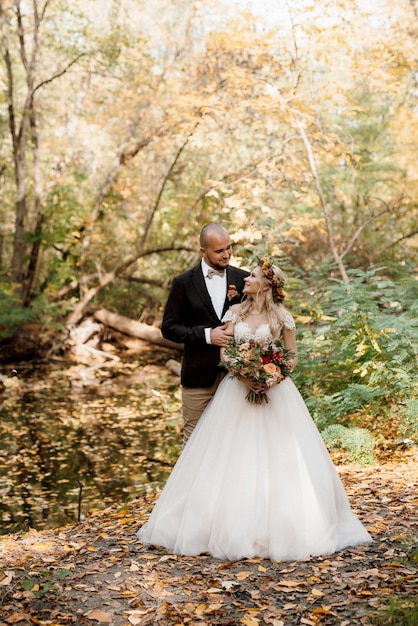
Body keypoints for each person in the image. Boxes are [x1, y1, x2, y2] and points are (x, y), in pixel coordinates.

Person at [138, 257, 372, 561]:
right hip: (236, 390)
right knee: (229, 455)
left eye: (253, 275)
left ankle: (281, 524)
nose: (246, 277)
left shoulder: (283, 318)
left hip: (276, 394)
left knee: (281, 456)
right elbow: (225, 349)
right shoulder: (234, 312)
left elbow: (291, 355)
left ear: (266, 284)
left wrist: (273, 377)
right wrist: (244, 376)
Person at [161, 223, 249, 444]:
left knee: (236, 437)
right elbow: (169, 327)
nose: (226, 254)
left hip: (237, 376)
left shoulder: (244, 280)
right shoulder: (183, 283)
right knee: (194, 439)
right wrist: (208, 336)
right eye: (219, 251)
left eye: (229, 248)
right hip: (198, 376)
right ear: (203, 251)